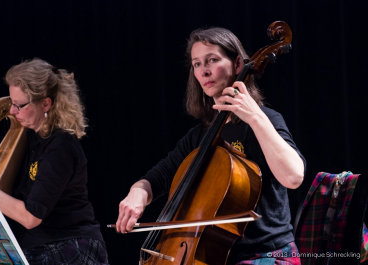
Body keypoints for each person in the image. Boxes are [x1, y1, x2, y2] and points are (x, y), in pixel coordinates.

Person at [115, 27, 306, 264]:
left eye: (212, 60)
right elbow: (157, 178)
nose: (204, 71)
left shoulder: (266, 120)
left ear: (238, 64)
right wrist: (138, 193)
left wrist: (255, 118)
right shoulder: (201, 135)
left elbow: (294, 177)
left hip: (266, 255)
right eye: (196, 64)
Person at [0, 58, 109, 265]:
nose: (11, 112)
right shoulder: (31, 137)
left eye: (19, 105)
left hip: (72, 247)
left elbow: (30, 217)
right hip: (40, 246)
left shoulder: (61, 146)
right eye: (12, 104)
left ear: (46, 103)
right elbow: (10, 197)